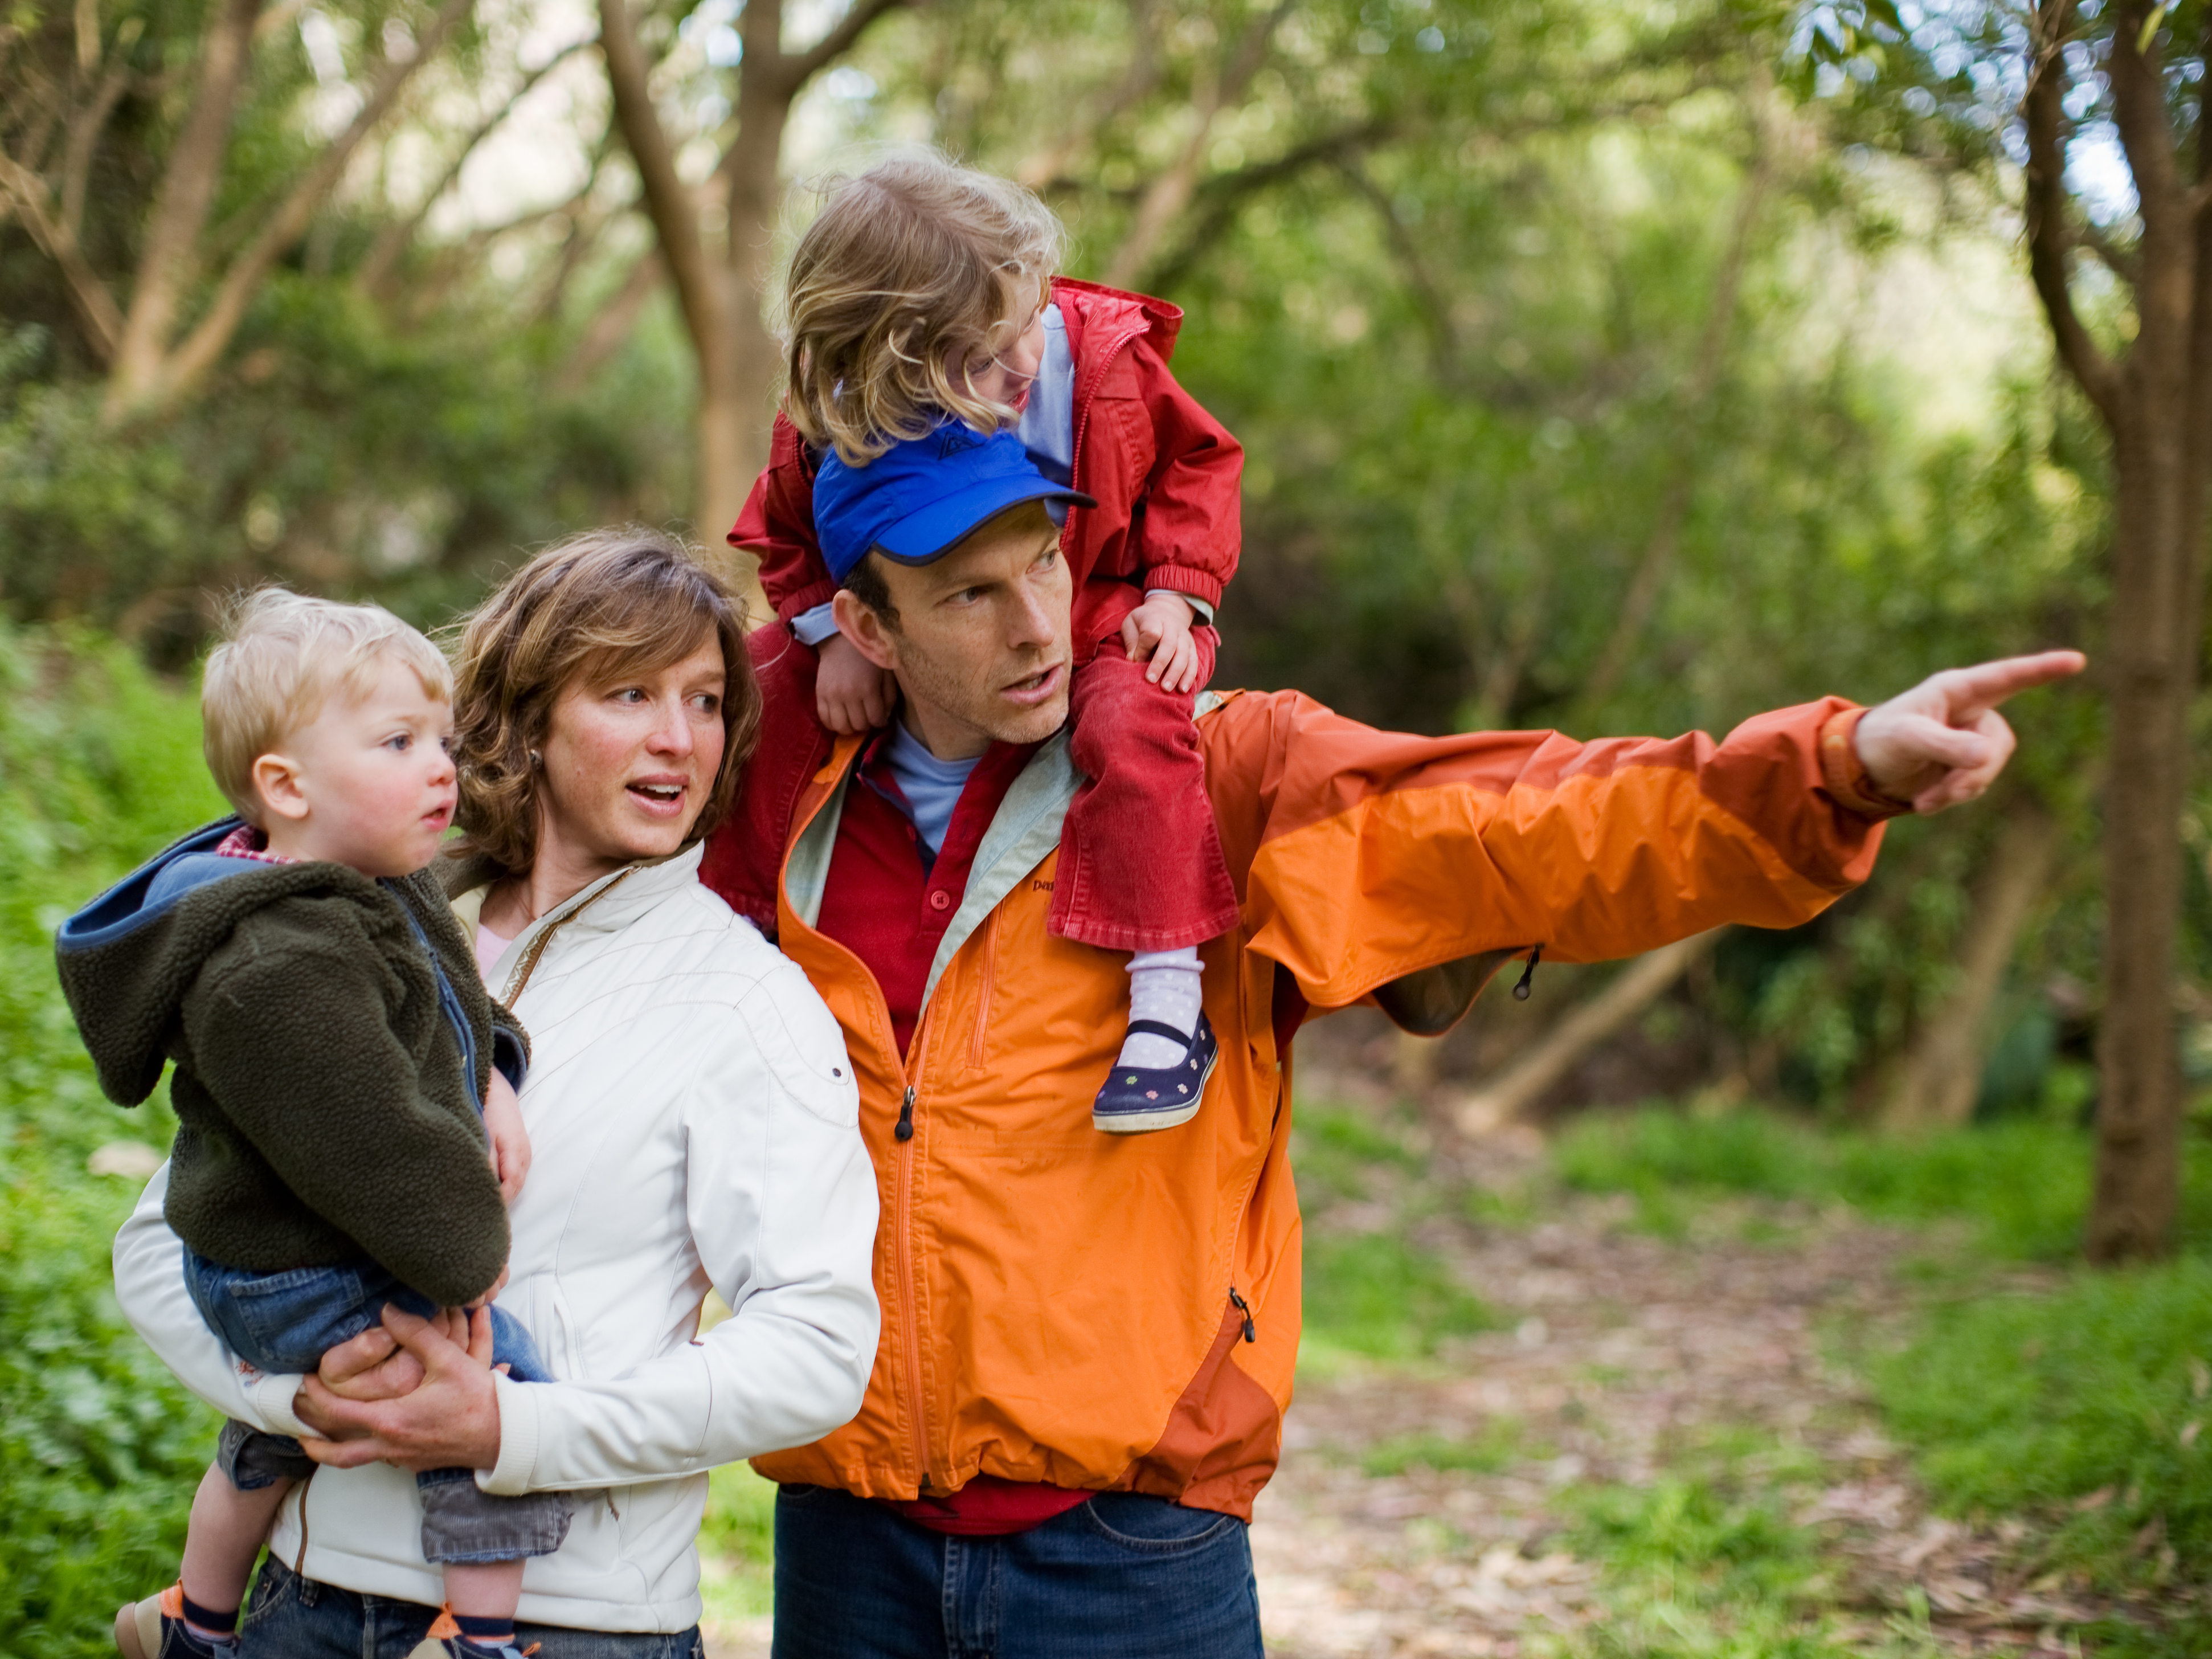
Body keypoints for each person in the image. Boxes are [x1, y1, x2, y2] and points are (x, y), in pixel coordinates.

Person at [283, 451, 2080, 1658]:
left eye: (1047, 569)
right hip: (843, 1553)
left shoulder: (1210, 776)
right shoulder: (774, 808)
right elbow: (518, 895)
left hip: (1126, 1554)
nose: (1035, 625)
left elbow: (1523, 827)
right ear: (861, 621)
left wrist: (1828, 765)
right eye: (964, 594)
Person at [109, 530, 881, 1658]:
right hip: (299, 1600)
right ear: (527, 716)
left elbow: (818, 1347)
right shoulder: (351, 928)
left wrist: (514, 1425)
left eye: (707, 701)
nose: (680, 737)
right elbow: (164, 1234)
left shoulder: (748, 1001)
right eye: (629, 691)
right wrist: (299, 1397)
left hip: (573, 1627)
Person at [57, 590, 566, 1659]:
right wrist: (466, 1264)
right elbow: (377, 1145)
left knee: (271, 1430)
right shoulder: (277, 966)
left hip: (279, 1247)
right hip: (285, 1268)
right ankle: (484, 1639)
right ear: (286, 786)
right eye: (397, 742)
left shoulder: (374, 880)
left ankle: (192, 1620)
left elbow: (452, 1003)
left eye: (441, 739)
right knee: (494, 1386)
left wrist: (496, 1075)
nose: (441, 766)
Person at [718, 153, 1244, 1133]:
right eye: (974, 360)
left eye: (1021, 330)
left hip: (1106, 606)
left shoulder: (1095, 359)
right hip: (918, 612)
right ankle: (736, 932)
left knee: (1134, 724)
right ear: (883, 360)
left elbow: (1197, 465)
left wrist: (1180, 592)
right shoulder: (840, 416)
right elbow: (786, 530)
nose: (1018, 371)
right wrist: (834, 627)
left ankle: (1168, 989)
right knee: (764, 686)